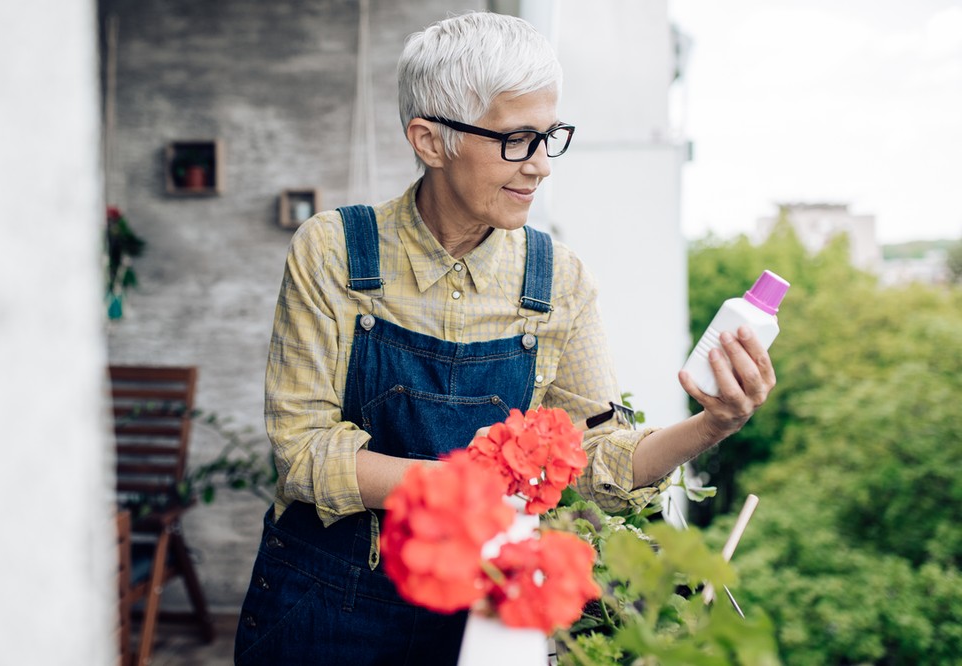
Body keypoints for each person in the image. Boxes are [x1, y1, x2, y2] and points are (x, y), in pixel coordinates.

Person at [234, 11, 775, 666]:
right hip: (324, 607)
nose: (543, 166)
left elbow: (599, 462)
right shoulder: (334, 254)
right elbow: (305, 453)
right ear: (431, 141)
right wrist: (469, 489)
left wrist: (713, 424)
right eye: (518, 140)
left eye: (550, 137)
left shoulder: (560, 281)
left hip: (479, 614)